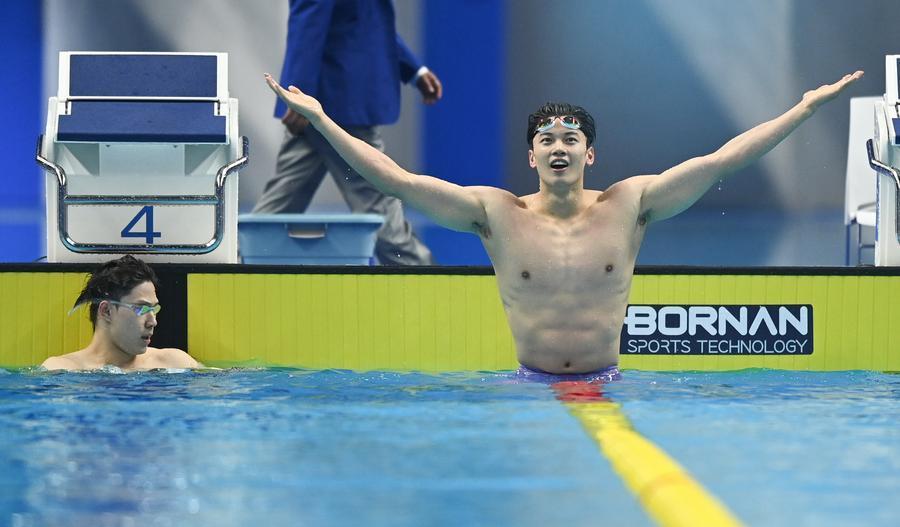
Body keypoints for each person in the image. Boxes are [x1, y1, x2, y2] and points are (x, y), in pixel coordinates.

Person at [264, 70, 863, 377]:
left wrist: (805, 108)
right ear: (531, 157)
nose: (558, 148)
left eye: (570, 140)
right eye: (546, 140)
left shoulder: (629, 204)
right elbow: (398, 181)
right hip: (527, 387)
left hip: (609, 387)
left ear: (589, 154)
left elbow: (721, 161)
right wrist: (321, 120)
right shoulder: (496, 213)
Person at [254, 0, 442, 266]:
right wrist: (299, 96)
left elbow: (366, 18)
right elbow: (308, 22)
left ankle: (238, 264)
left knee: (282, 201)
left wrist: (414, 70)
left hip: (332, 100)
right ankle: (425, 279)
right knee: (378, 205)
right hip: (338, 104)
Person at [41, 256, 200, 371]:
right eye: (141, 308)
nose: (152, 322)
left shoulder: (175, 363)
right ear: (106, 311)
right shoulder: (62, 370)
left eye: (153, 309)